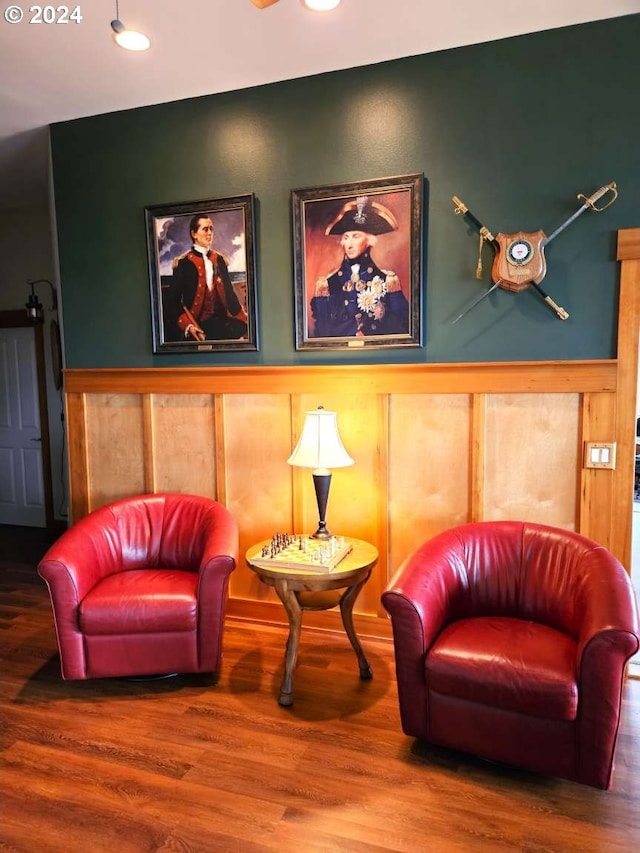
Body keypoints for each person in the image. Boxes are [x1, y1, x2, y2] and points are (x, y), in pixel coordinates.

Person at [310, 196, 409, 338]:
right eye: (346, 237)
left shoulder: (388, 281)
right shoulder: (327, 285)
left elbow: (400, 330)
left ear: (369, 240)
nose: (349, 244)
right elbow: (322, 334)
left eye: (356, 236)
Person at [169, 214, 248, 342]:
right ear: (194, 234)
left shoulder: (219, 259)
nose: (210, 233)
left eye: (211, 229)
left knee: (242, 328)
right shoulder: (184, 263)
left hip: (219, 322)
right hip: (196, 323)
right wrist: (189, 326)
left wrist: (244, 317)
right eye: (205, 229)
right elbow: (173, 301)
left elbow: (229, 294)